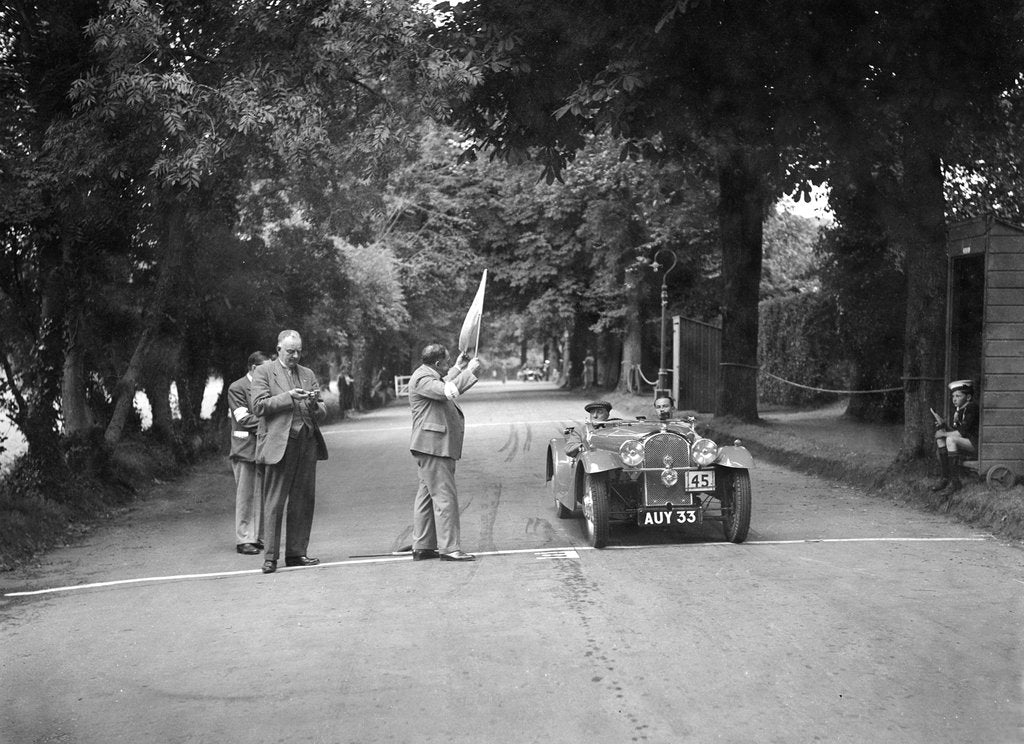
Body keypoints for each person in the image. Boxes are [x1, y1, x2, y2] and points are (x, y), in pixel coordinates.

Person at [251, 330, 328, 574]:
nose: (295, 356)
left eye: (298, 351)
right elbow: (258, 406)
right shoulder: (264, 371)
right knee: (274, 501)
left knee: (303, 500)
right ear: (278, 350)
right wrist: (289, 397)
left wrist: (314, 404)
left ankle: (296, 553)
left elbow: (322, 409)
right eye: (290, 351)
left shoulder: (307, 374)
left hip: (307, 441)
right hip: (279, 445)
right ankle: (270, 558)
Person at [408, 344, 482, 562]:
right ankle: (449, 548)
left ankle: (423, 545)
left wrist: (459, 367)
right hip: (434, 447)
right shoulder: (422, 379)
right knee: (444, 497)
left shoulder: (427, 375)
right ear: (438, 363)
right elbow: (447, 391)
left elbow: (443, 382)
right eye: (447, 362)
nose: (449, 365)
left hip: (430, 446)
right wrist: (470, 372)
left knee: (426, 497)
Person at [227, 351, 269, 555]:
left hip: (263, 448)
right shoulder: (237, 387)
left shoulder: (266, 387)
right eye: (265, 368)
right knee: (245, 495)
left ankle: (256, 537)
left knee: (261, 493)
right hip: (244, 448)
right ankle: (244, 539)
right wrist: (271, 424)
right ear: (254, 368)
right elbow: (243, 418)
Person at [930, 379, 980, 494]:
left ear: (968, 397)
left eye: (958, 396)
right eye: (953, 396)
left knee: (950, 439)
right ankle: (945, 478)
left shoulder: (972, 408)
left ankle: (955, 482)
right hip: (967, 441)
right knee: (941, 439)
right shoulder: (959, 410)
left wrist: (944, 433)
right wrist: (944, 425)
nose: (954, 399)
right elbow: (956, 431)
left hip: (976, 443)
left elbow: (961, 433)